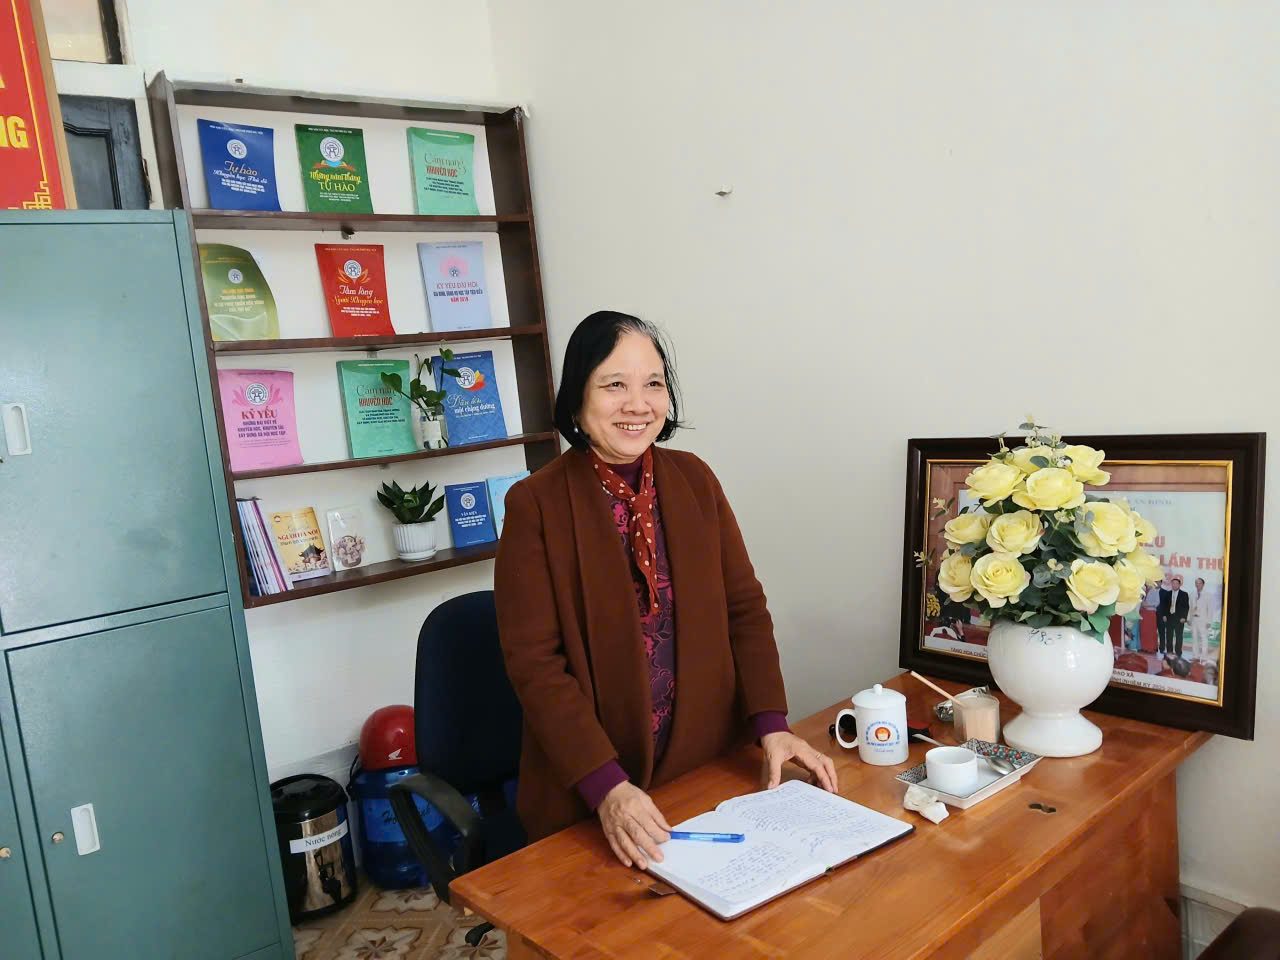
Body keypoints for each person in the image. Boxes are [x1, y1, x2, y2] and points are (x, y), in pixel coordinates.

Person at [494, 311, 837, 869]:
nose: (638, 404)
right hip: (591, 788)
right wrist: (606, 786)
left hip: (705, 768)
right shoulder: (535, 505)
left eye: (653, 384)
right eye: (614, 385)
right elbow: (535, 665)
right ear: (577, 399)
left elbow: (745, 612)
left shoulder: (694, 479)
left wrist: (771, 725)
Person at [1157, 576, 1189, 659]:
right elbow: (1164, 606)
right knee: (1169, 636)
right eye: (1173, 583)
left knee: (1179, 636)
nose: (1174, 585)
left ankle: (1178, 652)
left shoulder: (1184, 594)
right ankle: (1169, 652)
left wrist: (1184, 617)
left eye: (1176, 583)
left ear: (1179, 585)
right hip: (1169, 618)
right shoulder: (1167, 594)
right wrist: (1164, 615)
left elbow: (1186, 607)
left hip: (1179, 619)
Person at [1188, 576, 1212, 663]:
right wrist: (1189, 618)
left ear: (1203, 584)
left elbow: (1210, 609)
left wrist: (1209, 621)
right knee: (1194, 638)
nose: (1198, 585)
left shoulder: (1208, 595)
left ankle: (1204, 657)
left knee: (1204, 638)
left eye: (1199, 583)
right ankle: (1195, 656)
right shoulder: (1192, 594)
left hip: (1203, 619)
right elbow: (1190, 608)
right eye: (1196, 583)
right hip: (1194, 619)